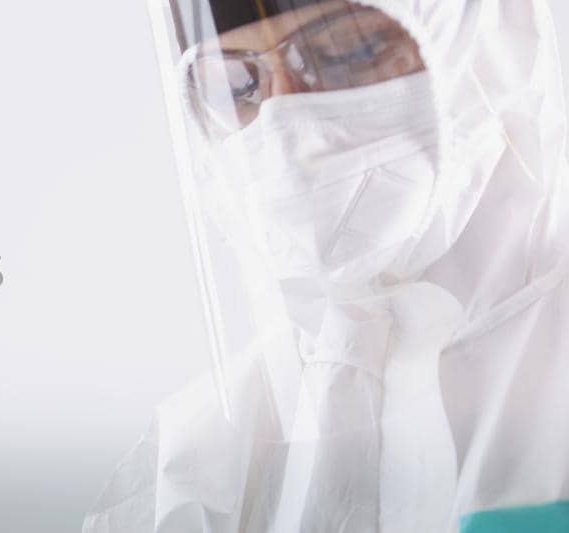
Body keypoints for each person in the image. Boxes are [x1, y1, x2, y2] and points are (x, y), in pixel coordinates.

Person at [85, 1, 569, 531]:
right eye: (239, 86)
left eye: (349, 51)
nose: (285, 119)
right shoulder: (204, 464)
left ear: (488, 41)